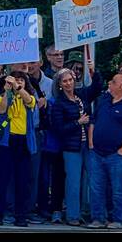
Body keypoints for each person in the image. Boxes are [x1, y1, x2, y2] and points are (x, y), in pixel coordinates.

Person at [87, 73, 122, 229]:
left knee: (118, 189)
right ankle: (98, 218)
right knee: (96, 188)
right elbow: (93, 121)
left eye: (113, 81)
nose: (109, 83)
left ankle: (118, 219)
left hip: (117, 156)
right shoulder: (104, 101)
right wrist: (91, 142)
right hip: (96, 153)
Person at [0, 71, 39, 227]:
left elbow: (30, 102)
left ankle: (21, 216)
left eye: (21, 80)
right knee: (2, 179)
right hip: (6, 141)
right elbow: (0, 110)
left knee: (23, 181)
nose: (17, 82)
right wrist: (7, 90)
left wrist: (19, 88)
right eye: (15, 80)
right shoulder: (3, 95)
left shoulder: (29, 96)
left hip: (23, 142)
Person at [46, 68, 89, 226]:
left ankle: (85, 212)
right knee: (73, 181)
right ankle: (72, 216)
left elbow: (96, 87)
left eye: (70, 79)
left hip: (87, 145)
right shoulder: (59, 104)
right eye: (64, 81)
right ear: (59, 85)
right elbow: (58, 128)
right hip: (71, 147)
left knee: (87, 182)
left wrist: (91, 69)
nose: (68, 83)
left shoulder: (81, 97)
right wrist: (78, 122)